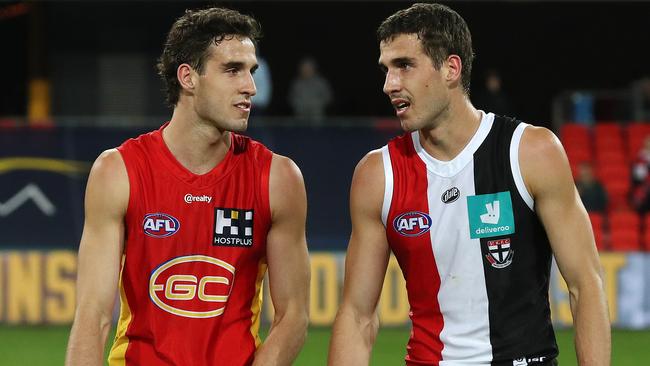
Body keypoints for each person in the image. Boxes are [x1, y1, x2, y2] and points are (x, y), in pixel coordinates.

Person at [329, 3, 610, 366]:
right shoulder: (377, 174)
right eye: (386, 70)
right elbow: (357, 315)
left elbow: (585, 286)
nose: (389, 85)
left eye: (404, 66)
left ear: (451, 68)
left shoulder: (530, 152)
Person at [65, 7, 310, 366]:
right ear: (188, 77)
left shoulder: (277, 178)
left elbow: (294, 317)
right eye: (232, 70)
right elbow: (93, 316)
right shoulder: (119, 171)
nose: (251, 88)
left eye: (251, 71)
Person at [288, 57, 333, 121]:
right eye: (304, 68)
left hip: (317, 117)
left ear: (313, 69)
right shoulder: (296, 84)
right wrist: (300, 105)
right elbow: (291, 98)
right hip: (300, 117)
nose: (306, 70)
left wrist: (316, 105)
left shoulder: (321, 83)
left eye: (308, 68)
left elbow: (328, 97)